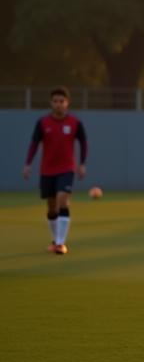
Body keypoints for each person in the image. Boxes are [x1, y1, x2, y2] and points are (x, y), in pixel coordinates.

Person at [22, 86, 88, 255]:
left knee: (63, 200)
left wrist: (82, 164)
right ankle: (55, 240)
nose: (58, 104)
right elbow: (34, 144)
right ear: (51, 103)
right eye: (55, 101)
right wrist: (28, 164)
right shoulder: (43, 123)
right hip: (47, 170)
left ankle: (61, 243)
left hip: (66, 169)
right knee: (52, 208)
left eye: (62, 101)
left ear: (67, 103)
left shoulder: (75, 123)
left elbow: (83, 142)